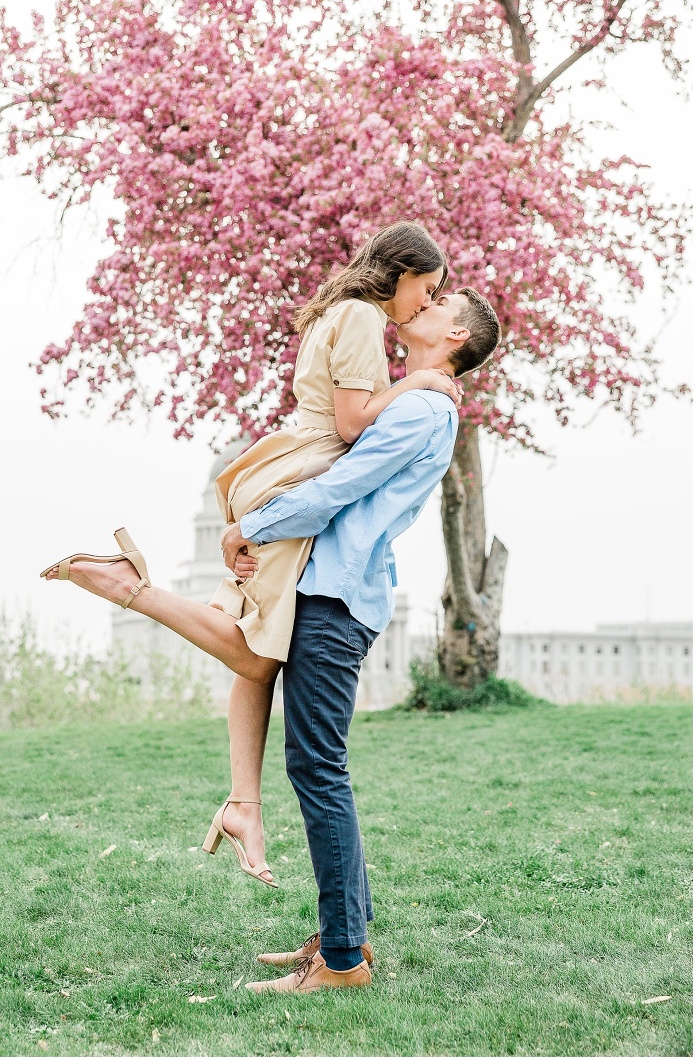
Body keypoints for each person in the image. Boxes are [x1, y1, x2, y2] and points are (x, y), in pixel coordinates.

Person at [42, 222, 459, 887]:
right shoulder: (358, 318)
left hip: (286, 465)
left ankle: (243, 805)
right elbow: (352, 426)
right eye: (428, 288)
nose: (425, 303)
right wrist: (422, 383)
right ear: (403, 272)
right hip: (302, 475)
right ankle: (133, 588)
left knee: (259, 649)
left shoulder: (340, 311)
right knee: (254, 649)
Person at [218, 290, 502, 993]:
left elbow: (341, 486)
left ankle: (342, 960)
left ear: (456, 333)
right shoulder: (413, 397)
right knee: (320, 767)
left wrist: (250, 524)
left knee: (317, 768)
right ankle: (346, 937)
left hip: (337, 598)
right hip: (336, 590)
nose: (424, 303)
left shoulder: (424, 408)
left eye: (440, 302)